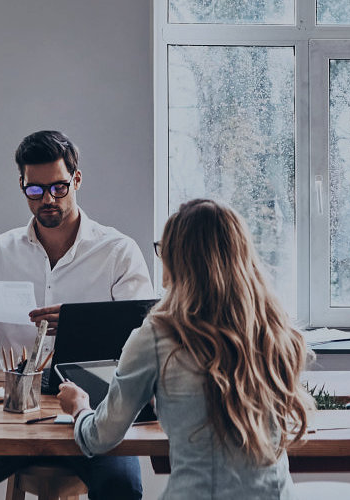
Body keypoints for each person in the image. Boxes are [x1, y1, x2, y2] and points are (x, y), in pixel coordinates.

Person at [0, 130, 155, 500]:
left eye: (59, 188)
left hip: (97, 408)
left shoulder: (117, 252)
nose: (47, 199)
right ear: (22, 186)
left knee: (122, 489)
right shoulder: (1, 251)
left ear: (76, 179)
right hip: (17, 415)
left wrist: (83, 324)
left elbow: (145, 337)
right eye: (35, 190)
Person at [56, 199, 313, 499]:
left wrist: (80, 407)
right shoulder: (273, 328)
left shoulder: (157, 335)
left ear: (177, 260)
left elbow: (100, 437)